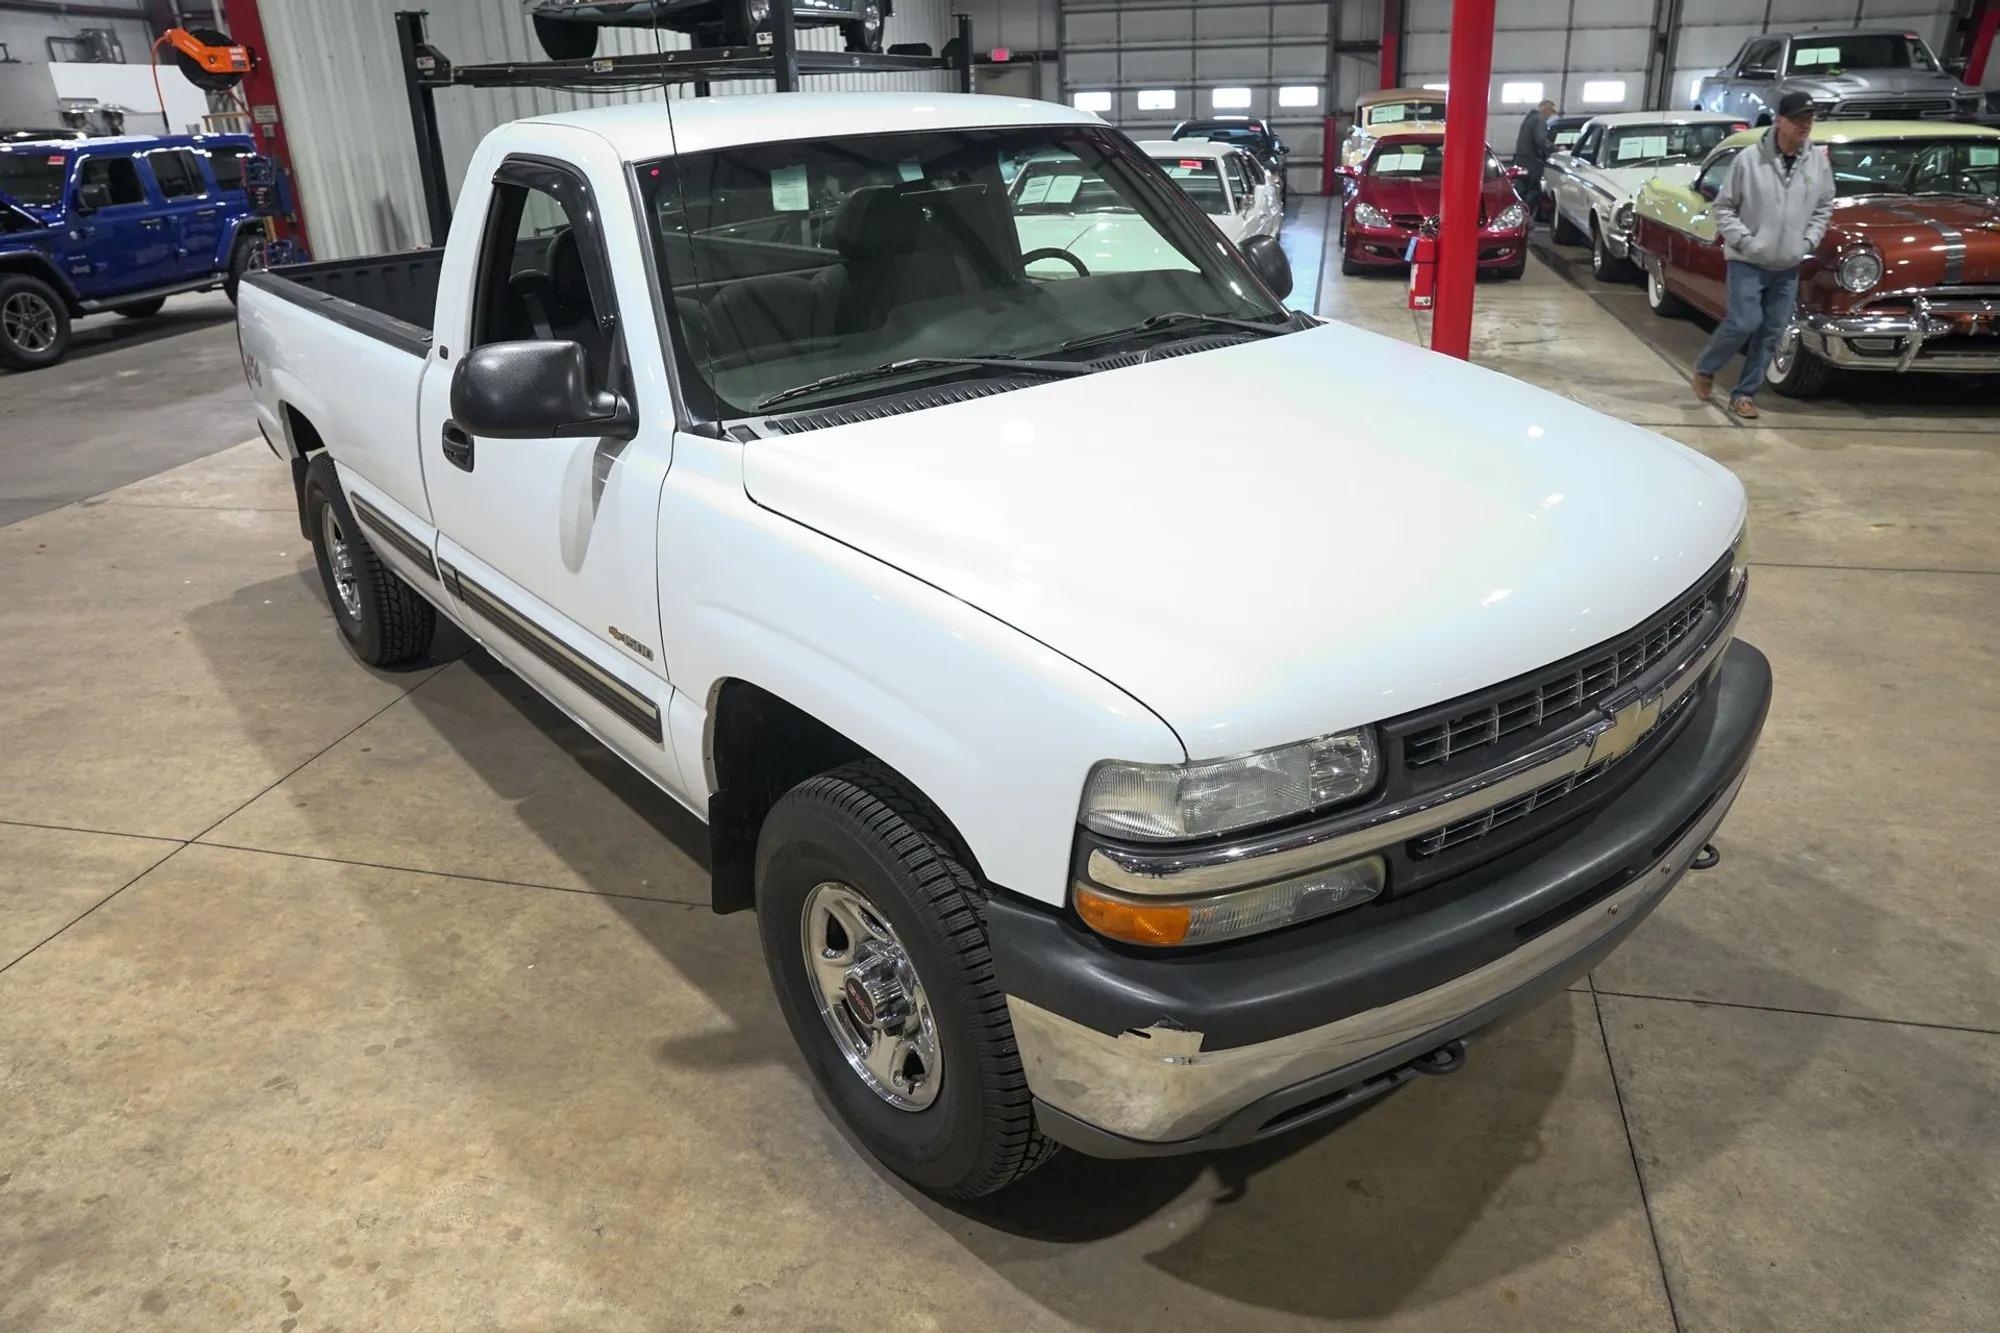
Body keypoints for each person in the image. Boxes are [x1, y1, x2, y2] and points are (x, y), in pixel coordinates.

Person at [1692, 90, 1835, 418]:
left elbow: (1824, 205)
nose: (1805, 126)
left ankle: (1744, 395)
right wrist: (1746, 241)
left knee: (1772, 330)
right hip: (1748, 261)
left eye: (1809, 120)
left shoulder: (1816, 162)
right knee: (1744, 322)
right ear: (1780, 121)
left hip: (1788, 263)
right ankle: (1706, 367)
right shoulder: (1749, 161)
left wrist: (1809, 241)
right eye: (1798, 120)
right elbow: (1724, 207)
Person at [1512, 99, 1557, 222]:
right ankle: (1526, 219)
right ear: (1544, 108)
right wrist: (1556, 149)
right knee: (1532, 191)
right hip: (1532, 162)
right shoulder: (1539, 119)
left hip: (1522, 160)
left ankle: (1518, 218)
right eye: (1550, 111)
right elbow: (1541, 140)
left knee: (1521, 191)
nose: (1550, 114)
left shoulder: (1530, 118)